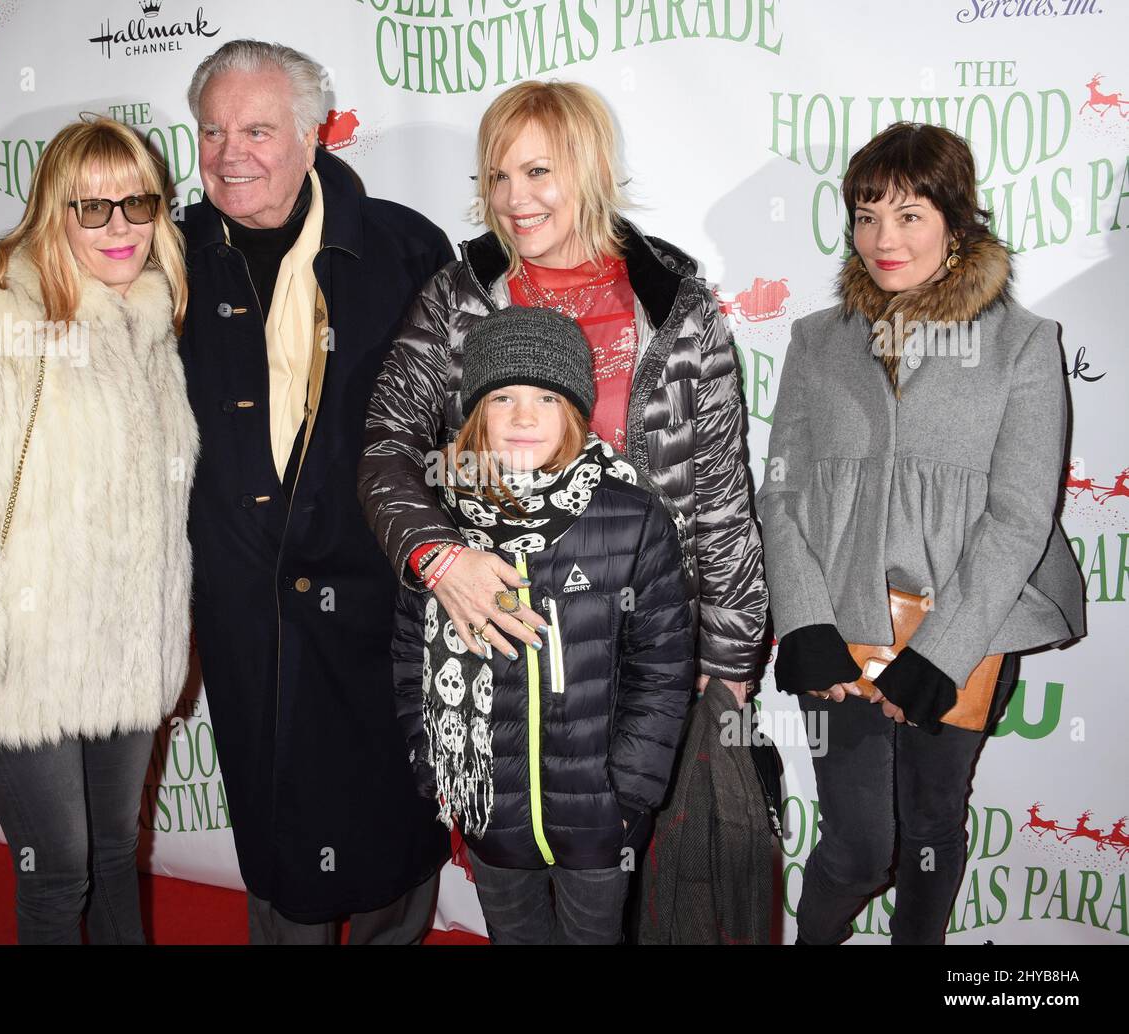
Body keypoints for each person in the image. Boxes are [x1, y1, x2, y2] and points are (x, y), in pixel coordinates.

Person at [0, 40, 455, 944]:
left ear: (312, 132)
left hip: (375, 611)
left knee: (388, 837)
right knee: (276, 843)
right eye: (212, 130)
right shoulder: (173, 254)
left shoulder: (405, 245)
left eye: (257, 129)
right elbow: (52, 287)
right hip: (243, 616)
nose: (231, 152)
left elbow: (450, 420)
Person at [757, 121, 1086, 945]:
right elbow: (784, 495)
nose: (882, 238)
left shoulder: (1023, 346)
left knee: (934, 831)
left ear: (957, 220)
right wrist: (802, 622)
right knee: (859, 848)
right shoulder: (815, 341)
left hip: (966, 634)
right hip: (840, 624)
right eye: (866, 216)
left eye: (908, 214)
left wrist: (941, 651)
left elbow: (1018, 516)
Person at [358, 78, 767, 711]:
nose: (513, 200)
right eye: (497, 177)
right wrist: (439, 559)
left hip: (648, 637)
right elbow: (388, 447)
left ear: (591, 169)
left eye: (537, 172)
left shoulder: (674, 302)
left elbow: (717, 492)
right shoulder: (455, 300)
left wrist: (729, 655)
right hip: (501, 635)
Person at [0, 116, 198, 944]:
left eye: (138, 204)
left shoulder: (152, 327)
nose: (121, 228)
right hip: (18, 656)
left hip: (126, 651)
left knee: (112, 850)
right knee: (56, 869)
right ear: (49, 213)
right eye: (91, 208)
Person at [393, 306, 694, 944]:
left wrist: (631, 792)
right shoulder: (437, 527)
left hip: (598, 813)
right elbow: (405, 656)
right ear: (474, 414)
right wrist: (431, 761)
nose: (524, 417)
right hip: (487, 805)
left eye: (546, 397)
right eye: (502, 397)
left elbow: (662, 667)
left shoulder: (631, 516)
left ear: (576, 411)